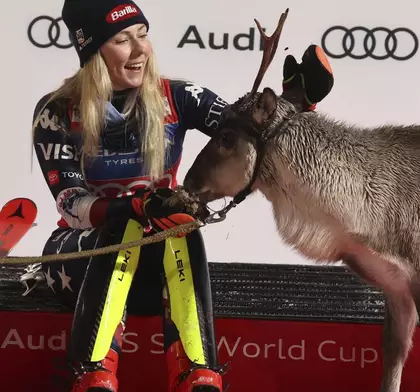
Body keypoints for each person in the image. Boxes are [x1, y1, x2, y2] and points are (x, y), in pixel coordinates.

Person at [19, 0, 334, 391]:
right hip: (79, 259)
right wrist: (132, 206)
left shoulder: (179, 97)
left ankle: (199, 377)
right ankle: (92, 374)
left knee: (179, 226)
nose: (140, 50)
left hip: (158, 268)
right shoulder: (57, 111)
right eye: (122, 39)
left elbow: (246, 135)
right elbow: (71, 204)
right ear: (94, 51)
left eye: (143, 35)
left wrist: (296, 104)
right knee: (127, 226)